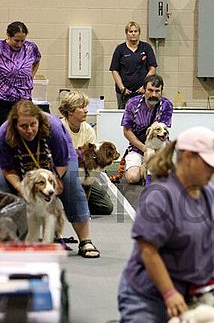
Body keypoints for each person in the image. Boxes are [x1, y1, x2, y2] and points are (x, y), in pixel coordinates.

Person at [103, 126, 214, 323]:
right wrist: (169, 293)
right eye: (209, 164)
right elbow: (148, 251)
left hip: (192, 293)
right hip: (149, 294)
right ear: (189, 158)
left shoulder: (209, 193)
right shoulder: (160, 195)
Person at [0, 100, 100, 258]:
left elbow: (62, 162)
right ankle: (8, 238)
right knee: (3, 187)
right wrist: (23, 188)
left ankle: (85, 241)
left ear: (39, 121)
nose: (29, 130)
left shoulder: (53, 127)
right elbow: (7, 168)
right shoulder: (4, 133)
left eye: (33, 124)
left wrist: (52, 182)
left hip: (56, 161)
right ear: (15, 125)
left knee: (71, 185)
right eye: (23, 126)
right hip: (19, 163)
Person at [59, 90, 113, 215]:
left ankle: (76, 204)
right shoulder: (59, 128)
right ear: (70, 111)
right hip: (61, 174)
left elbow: (92, 161)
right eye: (81, 107)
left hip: (82, 174)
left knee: (107, 207)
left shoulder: (88, 130)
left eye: (86, 107)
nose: (86, 110)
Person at [121, 74, 173, 184]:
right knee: (132, 178)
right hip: (138, 148)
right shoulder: (132, 104)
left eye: (157, 91)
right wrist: (145, 149)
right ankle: (143, 167)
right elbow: (126, 131)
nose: (153, 94)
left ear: (161, 91)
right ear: (143, 90)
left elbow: (162, 133)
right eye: (150, 90)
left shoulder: (167, 105)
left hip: (160, 148)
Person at [0, 21, 41, 126]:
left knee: (26, 127)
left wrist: (31, 75)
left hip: (24, 97)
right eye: (16, 40)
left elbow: (37, 60)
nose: (19, 44)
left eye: (22, 40)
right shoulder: (1, 48)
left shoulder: (30, 48)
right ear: (8, 36)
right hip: (4, 99)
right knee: (5, 130)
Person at [109, 21, 157, 109]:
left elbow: (152, 68)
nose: (133, 34)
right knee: (125, 118)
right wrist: (122, 88)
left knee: (143, 116)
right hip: (124, 93)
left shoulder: (146, 48)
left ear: (139, 33)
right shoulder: (120, 49)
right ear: (126, 33)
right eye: (130, 32)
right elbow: (114, 70)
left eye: (135, 31)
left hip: (142, 92)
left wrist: (145, 87)